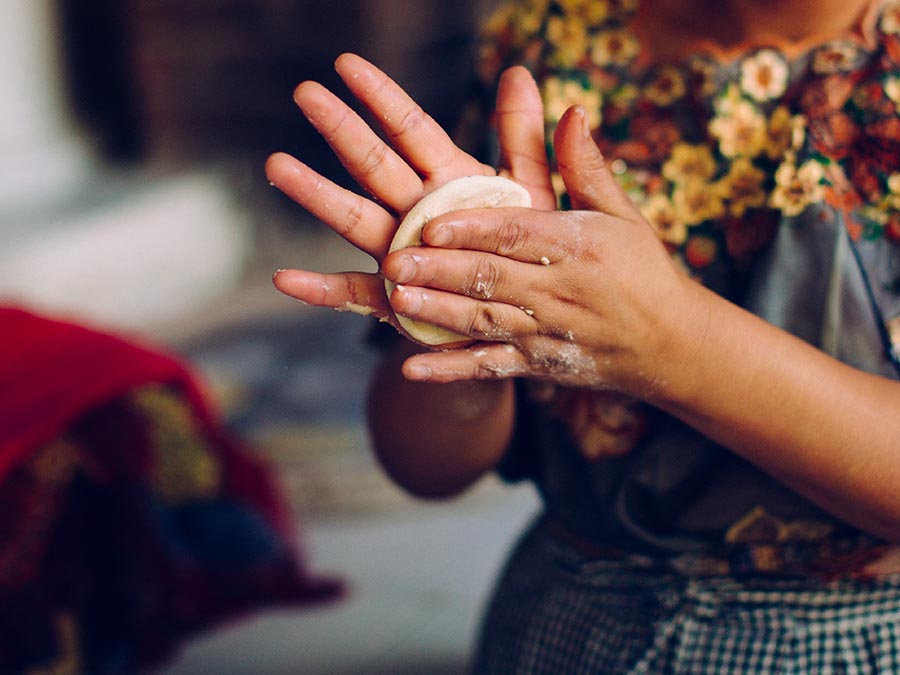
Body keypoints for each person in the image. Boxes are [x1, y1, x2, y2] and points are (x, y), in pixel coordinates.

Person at [267, 0, 900, 670]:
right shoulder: (545, 39)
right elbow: (422, 466)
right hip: (564, 624)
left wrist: (673, 342)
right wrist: (457, 333)